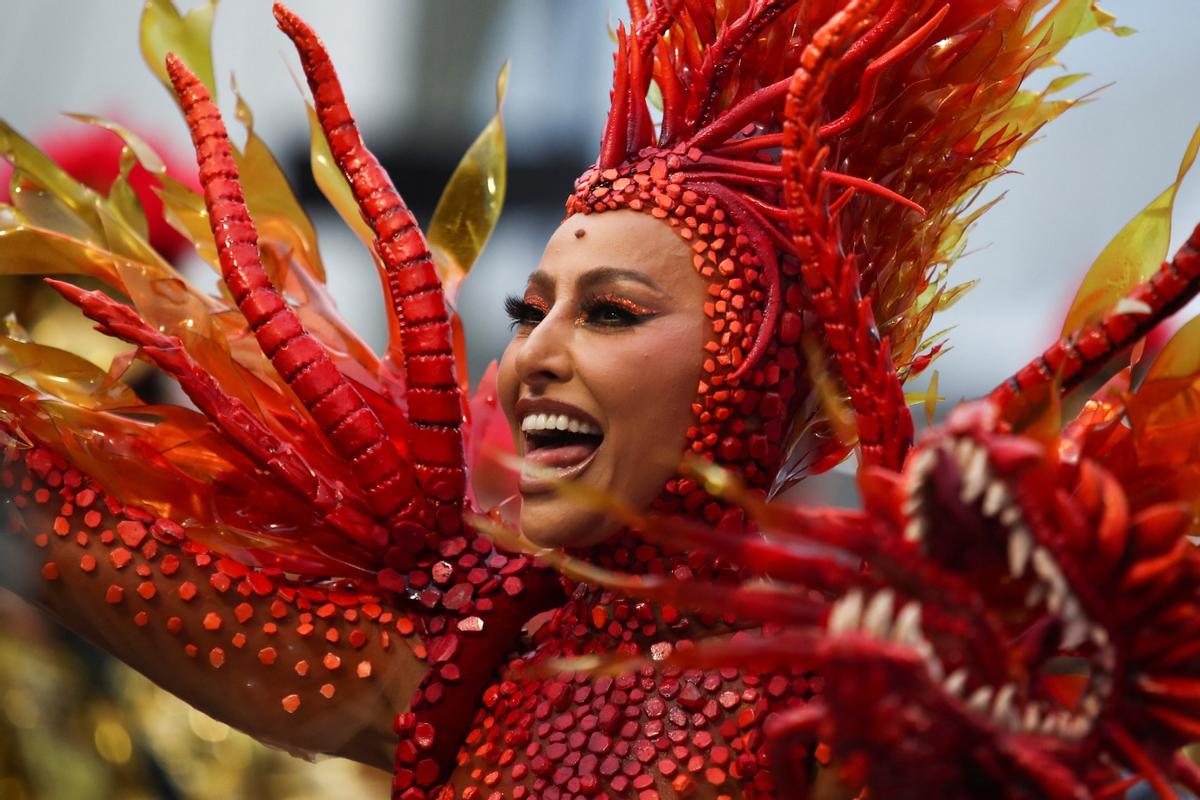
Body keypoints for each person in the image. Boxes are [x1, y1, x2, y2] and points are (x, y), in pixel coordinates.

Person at [0, 1, 1129, 798]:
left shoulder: (859, 695)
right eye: (532, 308)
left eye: (611, 312)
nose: (533, 351)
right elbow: (59, 526)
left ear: (766, 366)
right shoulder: (470, 654)